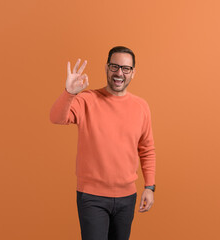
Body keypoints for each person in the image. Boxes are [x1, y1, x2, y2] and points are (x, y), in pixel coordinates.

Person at [50, 46, 156, 240]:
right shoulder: (86, 100)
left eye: (126, 69)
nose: (119, 73)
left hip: (127, 198)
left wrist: (149, 187)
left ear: (133, 72)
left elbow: (147, 149)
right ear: (106, 68)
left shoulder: (141, 107)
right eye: (114, 66)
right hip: (92, 197)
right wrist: (69, 93)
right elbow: (56, 117)